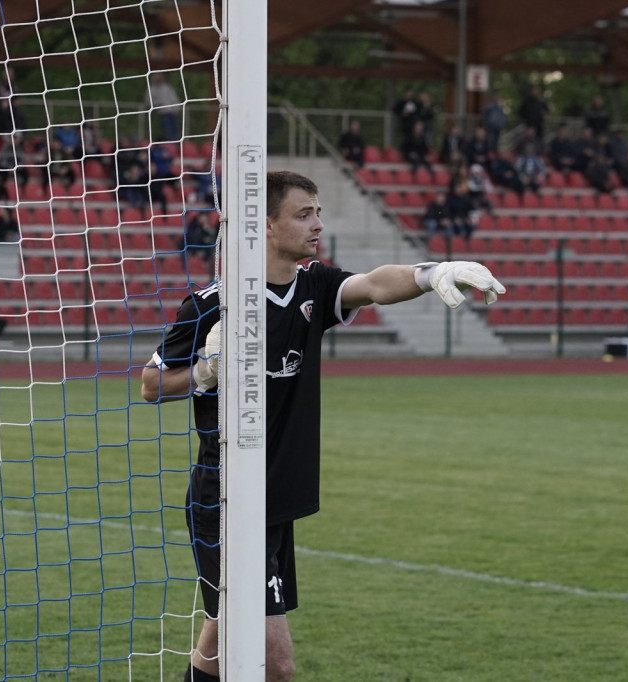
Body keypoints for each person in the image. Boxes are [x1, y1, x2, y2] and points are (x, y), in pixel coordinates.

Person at [140, 170, 504, 682]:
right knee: (278, 662)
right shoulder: (211, 305)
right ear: (266, 225)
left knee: (221, 635)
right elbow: (152, 385)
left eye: (318, 212)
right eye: (304, 214)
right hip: (226, 499)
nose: (318, 224)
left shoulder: (314, 287)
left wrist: (434, 272)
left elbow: (376, 284)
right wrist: (206, 369)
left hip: (277, 497)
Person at [146, 73, 182, 141]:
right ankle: (169, 142)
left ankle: (175, 143)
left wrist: (177, 107)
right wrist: (157, 104)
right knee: (167, 129)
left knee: (175, 128)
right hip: (162, 113)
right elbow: (148, 101)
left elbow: (174, 98)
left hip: (172, 111)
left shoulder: (167, 88)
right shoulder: (151, 89)